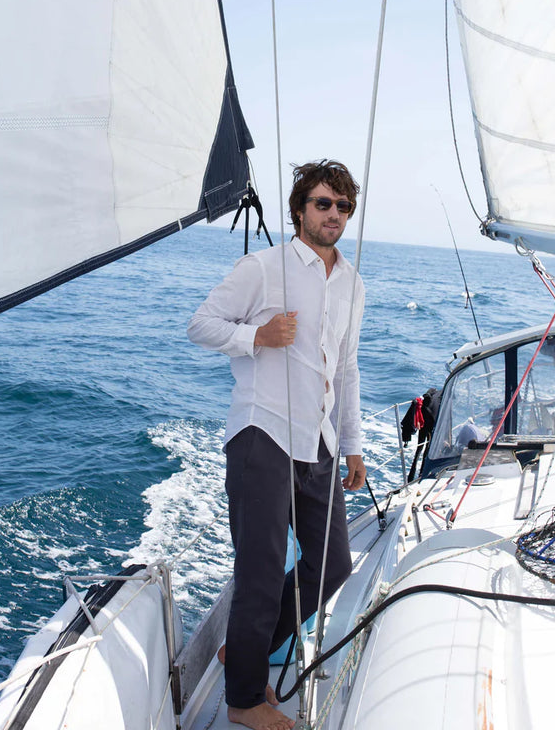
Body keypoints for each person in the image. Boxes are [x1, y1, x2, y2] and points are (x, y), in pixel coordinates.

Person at [187, 160, 366, 730]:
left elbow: (348, 368)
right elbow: (202, 324)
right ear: (299, 210)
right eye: (322, 203)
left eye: (342, 206)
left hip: (319, 443)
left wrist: (354, 444)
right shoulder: (263, 268)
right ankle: (243, 698)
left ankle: (243, 649)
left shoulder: (353, 283)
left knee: (332, 566)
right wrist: (256, 336)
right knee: (261, 571)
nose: (332, 214)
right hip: (261, 435)